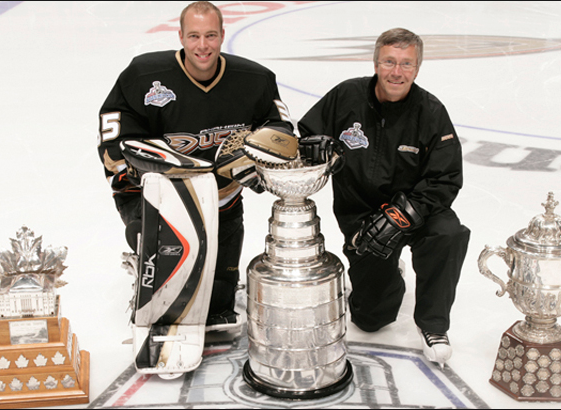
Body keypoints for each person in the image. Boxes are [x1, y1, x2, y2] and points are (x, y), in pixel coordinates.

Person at [97, 1, 294, 330]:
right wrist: (141, 175)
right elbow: (114, 141)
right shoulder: (143, 77)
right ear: (181, 37)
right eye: (194, 36)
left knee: (216, 308)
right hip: (158, 200)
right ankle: (146, 268)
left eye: (210, 36)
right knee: (169, 299)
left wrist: (257, 162)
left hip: (222, 200)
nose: (203, 46)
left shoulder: (254, 80)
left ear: (222, 36)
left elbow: (283, 133)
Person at [298, 28, 470, 367]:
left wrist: (401, 215)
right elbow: (307, 135)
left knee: (448, 234)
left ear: (417, 68)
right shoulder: (346, 96)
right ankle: (390, 275)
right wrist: (315, 147)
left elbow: (446, 178)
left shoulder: (431, 112)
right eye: (389, 61)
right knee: (371, 319)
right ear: (376, 63)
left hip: (419, 210)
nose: (397, 71)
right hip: (363, 218)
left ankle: (433, 325)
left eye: (407, 64)